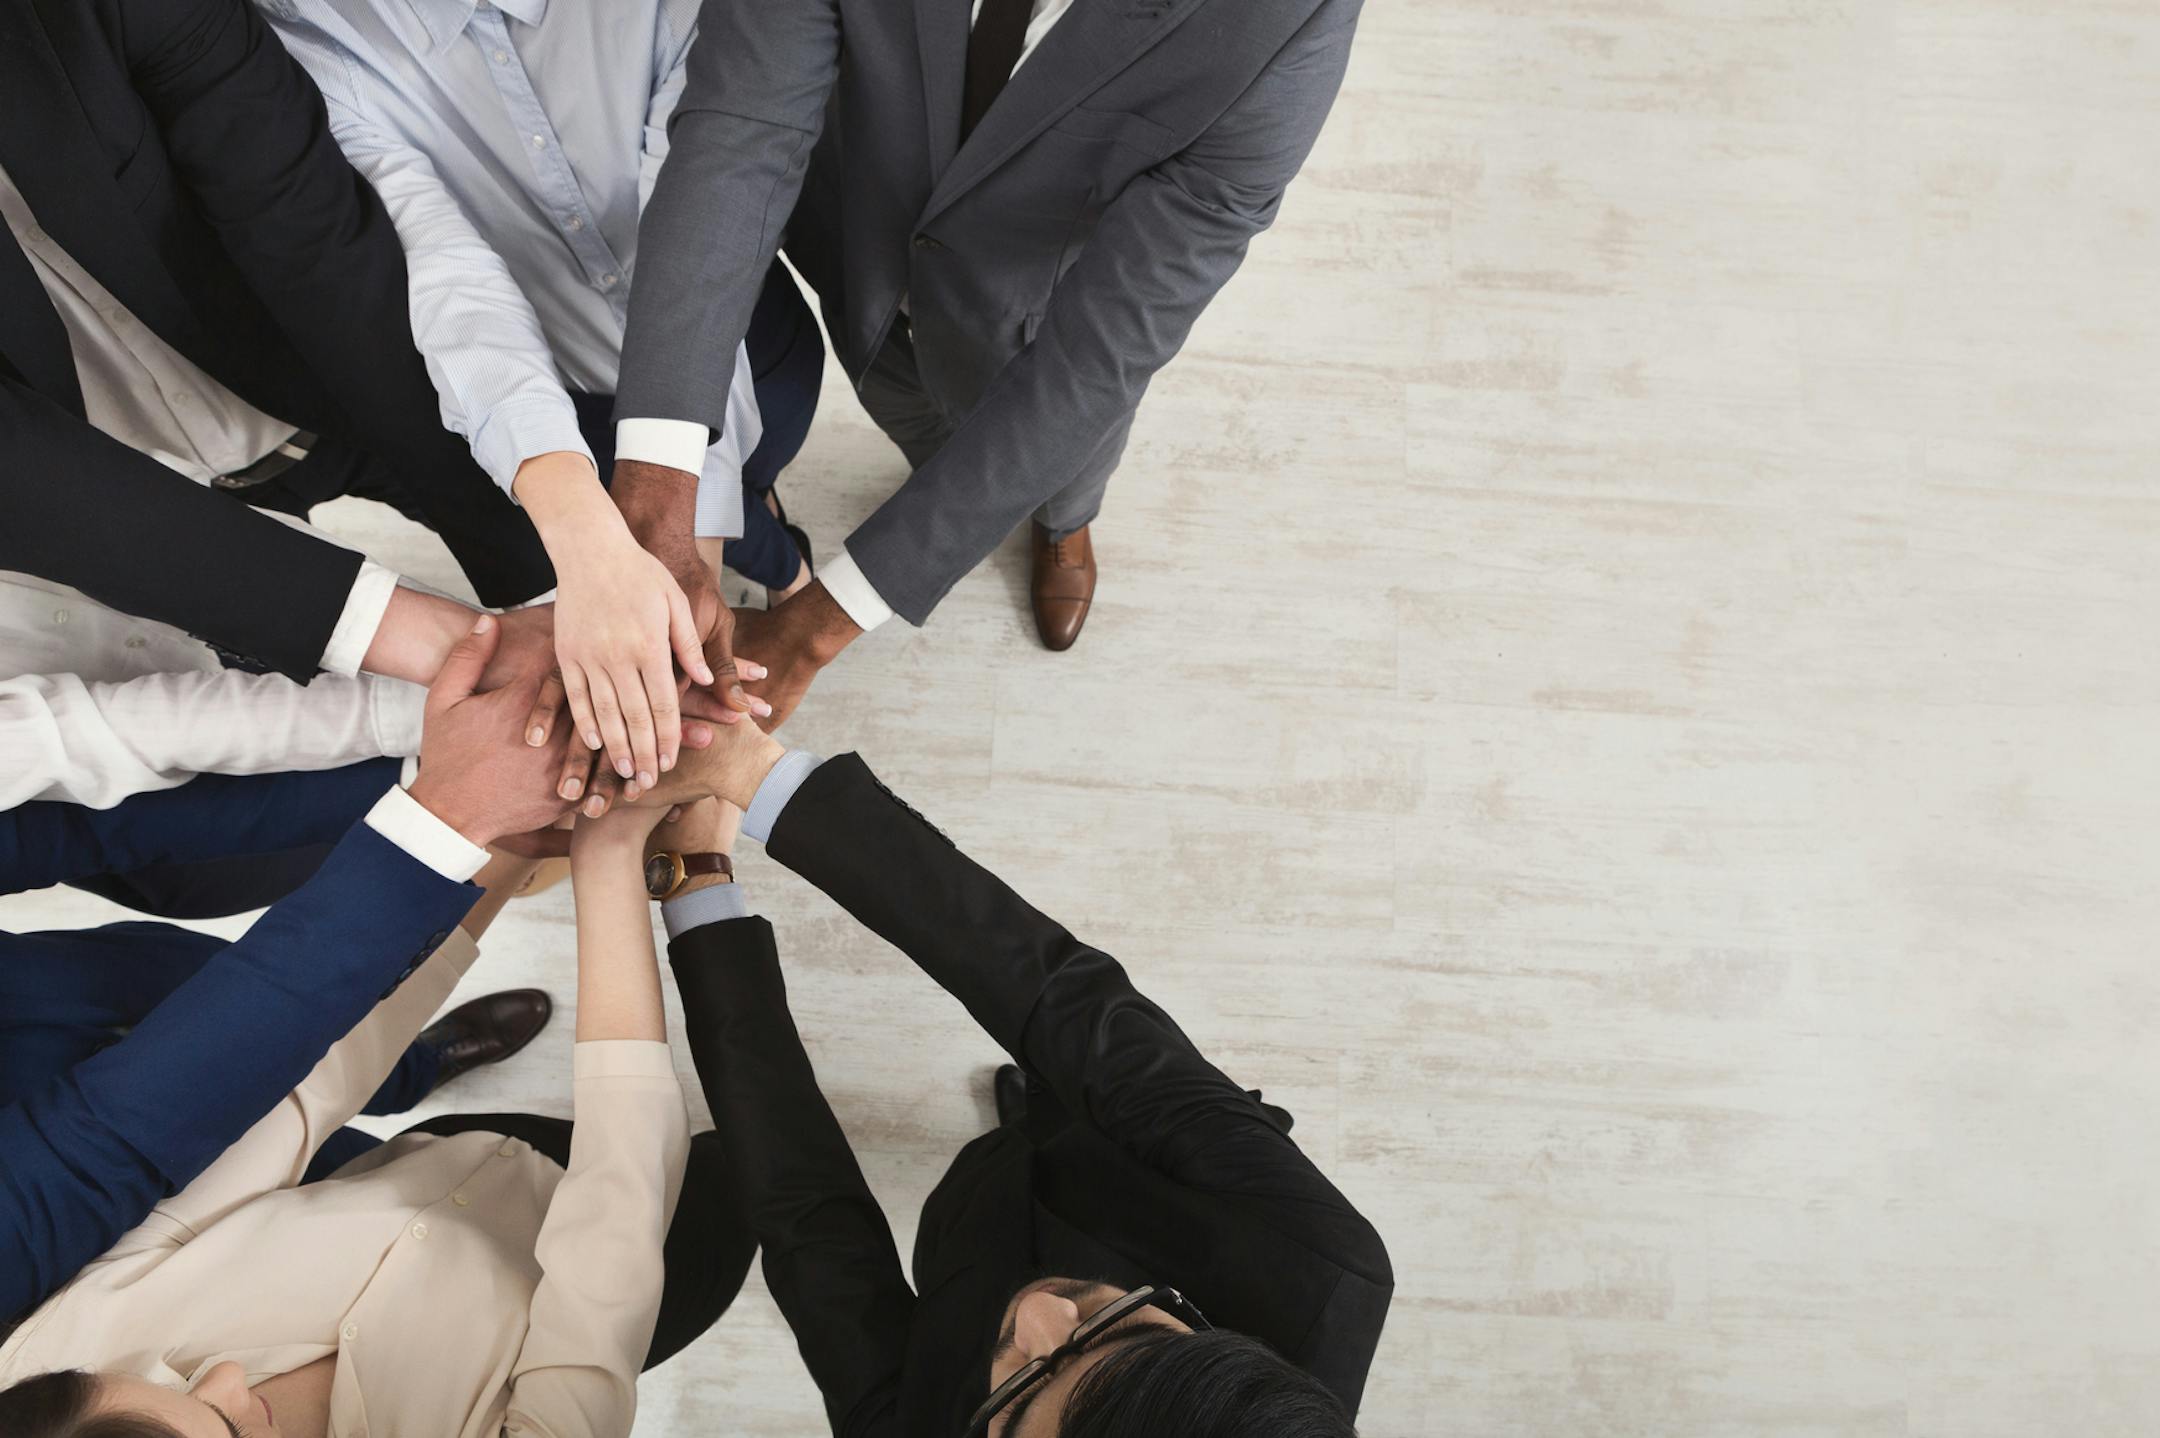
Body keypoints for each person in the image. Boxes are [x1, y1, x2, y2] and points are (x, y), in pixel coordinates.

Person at [612, 0, 1364, 731]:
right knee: (915, 421)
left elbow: (1097, 359)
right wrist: (653, 498)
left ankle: (1063, 527)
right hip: (867, 258)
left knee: (1065, 471)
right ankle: (953, 476)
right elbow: (740, 135)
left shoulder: (1289, 15)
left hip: (1041, 321)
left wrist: (815, 630)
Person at [633, 711, 1395, 1433]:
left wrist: (694, 881)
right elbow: (1056, 994)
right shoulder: (1322, 1267)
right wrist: (754, 772)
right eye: (1125, 1328)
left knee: (986, 1188)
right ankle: (1038, 1116)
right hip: (1126, 1153)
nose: (1038, 1312)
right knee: (1072, 1078)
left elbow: (811, 1223)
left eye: (1022, 1389)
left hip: (961, 1251)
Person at [0, 778, 776, 1436]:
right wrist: (613, 861)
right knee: (757, 1176)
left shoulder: (50, 1357)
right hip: (663, 1259)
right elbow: (619, 1217)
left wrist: (510, 839)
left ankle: (429, 1063)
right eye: (228, 1424)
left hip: (462, 1155)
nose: (227, 1376)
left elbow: (307, 1091)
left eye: (172, 1383)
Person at [260, 0, 827, 791]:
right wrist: (598, 542)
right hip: (563, 399)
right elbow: (446, 274)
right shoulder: (310, 33)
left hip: (752, 344)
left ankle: (775, 550)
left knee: (747, 483)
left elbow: (709, 206)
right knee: (734, 525)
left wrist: (671, 527)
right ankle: (783, 560)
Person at [0, 615, 576, 1324]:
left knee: (209, 984)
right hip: (123, 1203)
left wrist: (420, 777)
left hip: (70, 981)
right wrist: (442, 823)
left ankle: (411, 1067)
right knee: (356, 1183)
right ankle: (399, 1086)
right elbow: (99, 1153)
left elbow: (64, 826)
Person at [0, 0, 570, 684]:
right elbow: (21, 467)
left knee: (619, 538)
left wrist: (548, 584)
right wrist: (452, 648)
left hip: (341, 392)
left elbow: (306, 236)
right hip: (128, 524)